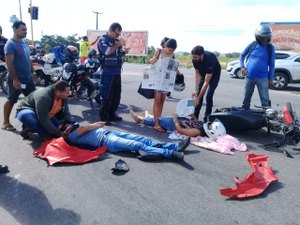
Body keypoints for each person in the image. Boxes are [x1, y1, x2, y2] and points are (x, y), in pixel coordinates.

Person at [66, 121, 188, 161]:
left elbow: (101, 123)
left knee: (143, 139)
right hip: (106, 141)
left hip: (110, 133)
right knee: (137, 145)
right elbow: (88, 127)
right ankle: (170, 153)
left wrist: (94, 125)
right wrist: (89, 126)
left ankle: (175, 147)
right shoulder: (72, 137)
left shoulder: (81, 130)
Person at [2, 21, 36, 131]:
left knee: (33, 100)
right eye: (23, 29)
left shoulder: (24, 43)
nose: (25, 31)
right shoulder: (10, 44)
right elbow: (9, 63)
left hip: (28, 78)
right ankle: (5, 123)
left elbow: (28, 59)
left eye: (26, 29)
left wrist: (33, 73)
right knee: (11, 100)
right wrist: (15, 80)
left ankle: (28, 124)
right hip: (17, 78)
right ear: (15, 29)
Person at [97, 22, 129, 123]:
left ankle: (112, 114)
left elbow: (118, 53)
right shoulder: (103, 40)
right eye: (117, 34)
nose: (118, 36)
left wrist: (124, 51)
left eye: (119, 34)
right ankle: (104, 117)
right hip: (107, 72)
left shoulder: (116, 41)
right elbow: (107, 52)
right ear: (110, 31)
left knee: (116, 95)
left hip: (116, 72)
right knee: (106, 95)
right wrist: (117, 44)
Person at [240, 24, 275, 110]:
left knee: (265, 100)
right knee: (246, 98)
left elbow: (272, 64)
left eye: (266, 38)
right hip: (249, 77)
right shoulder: (252, 45)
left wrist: (270, 79)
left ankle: (266, 118)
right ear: (257, 37)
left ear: (269, 37)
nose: (264, 40)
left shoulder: (270, 48)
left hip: (263, 78)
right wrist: (242, 67)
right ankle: (245, 113)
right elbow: (242, 55)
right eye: (262, 38)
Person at [149, 38, 178, 132]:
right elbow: (152, 61)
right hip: (157, 79)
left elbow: (172, 66)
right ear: (165, 46)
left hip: (166, 80)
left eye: (173, 50)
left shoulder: (172, 54)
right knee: (157, 101)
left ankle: (158, 120)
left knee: (162, 100)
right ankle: (156, 124)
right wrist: (153, 60)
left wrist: (177, 71)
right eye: (170, 49)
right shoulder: (159, 51)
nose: (171, 52)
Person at [191, 46, 221, 122]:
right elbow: (197, 74)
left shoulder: (210, 59)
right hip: (203, 73)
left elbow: (206, 82)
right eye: (193, 56)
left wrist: (198, 98)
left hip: (214, 75)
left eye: (195, 57)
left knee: (209, 96)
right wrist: (196, 90)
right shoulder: (194, 59)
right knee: (198, 94)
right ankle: (195, 117)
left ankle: (207, 118)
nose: (193, 58)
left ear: (201, 55)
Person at [130, 110, 205, 137]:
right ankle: (149, 117)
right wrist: (191, 115)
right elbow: (196, 122)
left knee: (160, 121)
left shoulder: (197, 131)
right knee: (162, 119)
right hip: (180, 121)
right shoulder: (202, 125)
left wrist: (175, 119)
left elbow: (180, 130)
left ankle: (140, 119)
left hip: (174, 125)